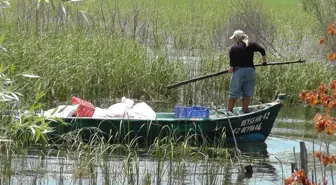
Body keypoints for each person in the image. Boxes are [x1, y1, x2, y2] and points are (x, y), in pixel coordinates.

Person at [227, 30, 267, 114]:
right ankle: (245, 110)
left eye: (234, 38)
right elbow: (262, 50)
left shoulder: (234, 48)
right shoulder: (252, 45)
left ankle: (229, 111)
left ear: (237, 38)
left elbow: (232, 67)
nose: (234, 40)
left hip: (239, 71)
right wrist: (264, 62)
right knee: (247, 93)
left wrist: (230, 69)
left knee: (234, 93)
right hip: (250, 71)